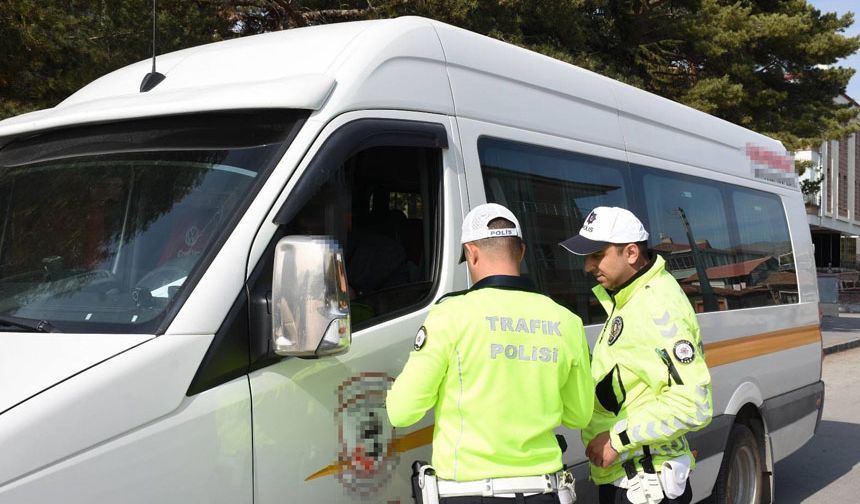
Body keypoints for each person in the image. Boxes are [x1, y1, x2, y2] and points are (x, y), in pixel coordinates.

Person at [386, 203, 594, 504]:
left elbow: (402, 412)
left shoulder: (450, 316)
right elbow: (579, 415)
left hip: (469, 493)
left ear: (471, 253)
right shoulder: (566, 321)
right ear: (520, 252)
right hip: (544, 492)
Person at [560, 206, 713, 504]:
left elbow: (694, 403)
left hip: (646, 486)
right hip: (634, 480)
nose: (588, 267)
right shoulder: (630, 298)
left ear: (631, 253)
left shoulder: (657, 306)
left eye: (596, 255)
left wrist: (618, 439)